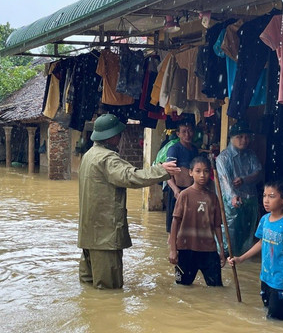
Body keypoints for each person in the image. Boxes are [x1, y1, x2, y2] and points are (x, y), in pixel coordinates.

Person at [78, 113, 180, 289]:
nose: (120, 137)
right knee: (109, 292)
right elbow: (130, 177)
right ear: (111, 137)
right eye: (118, 134)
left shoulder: (89, 155)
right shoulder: (107, 159)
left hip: (89, 235)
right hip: (105, 237)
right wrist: (160, 170)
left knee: (90, 289)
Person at [228, 179, 283, 320]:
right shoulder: (264, 220)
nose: (266, 200)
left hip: (282, 283)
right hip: (266, 278)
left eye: (271, 196)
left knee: (276, 321)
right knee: (267, 315)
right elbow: (261, 243)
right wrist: (241, 258)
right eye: (264, 196)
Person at [168, 156, 226, 286]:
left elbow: (217, 226)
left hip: (209, 250)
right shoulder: (184, 195)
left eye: (206, 171)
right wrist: (173, 249)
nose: (202, 175)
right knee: (182, 287)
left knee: (216, 288)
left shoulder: (213, 197)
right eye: (198, 171)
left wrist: (221, 250)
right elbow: (175, 222)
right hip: (186, 248)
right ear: (190, 172)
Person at [216, 121, 262, 256]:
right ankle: (226, 256)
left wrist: (244, 179)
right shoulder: (224, 157)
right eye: (240, 137)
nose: (244, 140)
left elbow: (258, 173)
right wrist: (232, 197)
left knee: (246, 232)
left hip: (249, 199)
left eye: (247, 137)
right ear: (232, 138)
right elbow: (224, 180)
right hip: (231, 201)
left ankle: (242, 258)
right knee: (230, 232)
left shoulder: (251, 155)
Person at [165, 120, 199, 234]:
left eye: (189, 131)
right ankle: (173, 250)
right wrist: (175, 190)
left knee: (189, 225)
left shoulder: (194, 150)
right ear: (178, 134)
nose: (187, 134)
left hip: (192, 192)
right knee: (174, 226)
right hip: (178, 191)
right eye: (184, 132)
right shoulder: (174, 149)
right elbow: (168, 173)